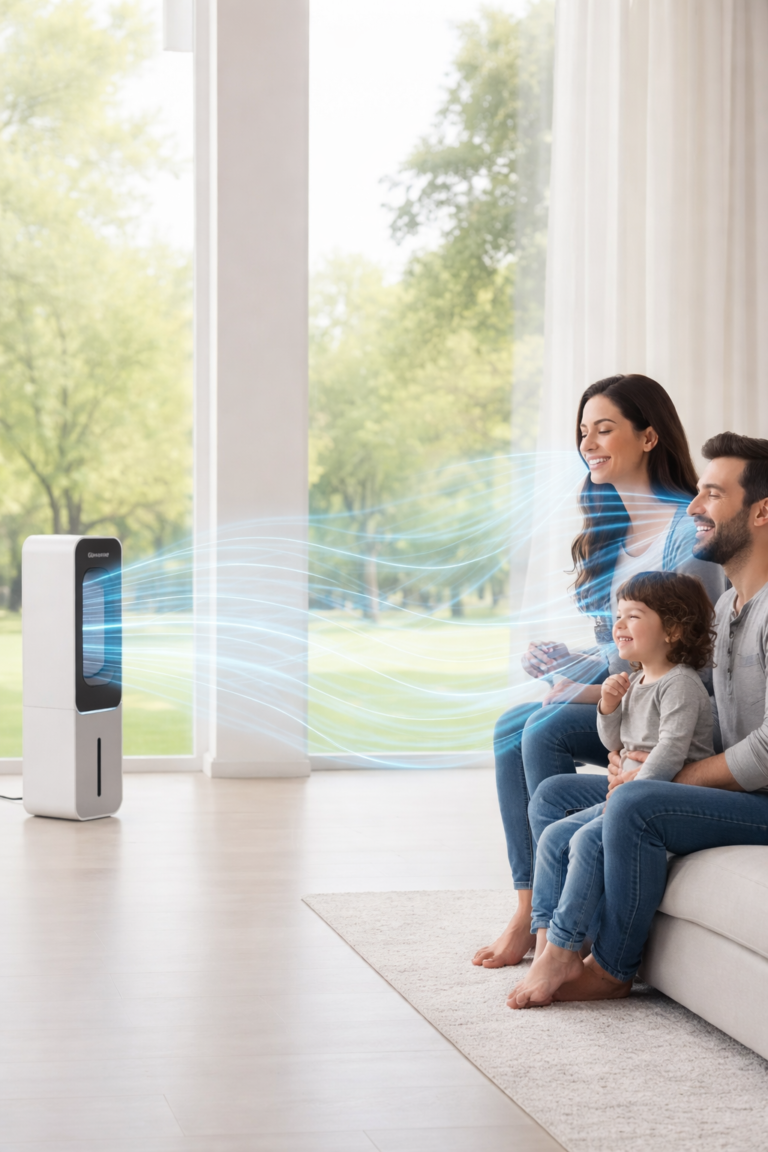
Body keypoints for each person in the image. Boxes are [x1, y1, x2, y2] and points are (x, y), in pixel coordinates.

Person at [473, 375, 726, 970]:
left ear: (649, 436)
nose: (589, 442)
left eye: (605, 428)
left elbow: (678, 656)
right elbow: (621, 649)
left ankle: (557, 924)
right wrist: (569, 665)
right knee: (515, 725)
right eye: (583, 432)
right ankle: (530, 905)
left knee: (543, 728)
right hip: (631, 696)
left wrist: (582, 687)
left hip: (675, 710)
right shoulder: (610, 528)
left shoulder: (686, 534)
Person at [520, 432, 768, 1004]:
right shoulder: (728, 604)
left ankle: (608, 968)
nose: (694, 507)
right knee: (556, 795)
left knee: (635, 800)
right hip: (725, 784)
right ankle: (553, 934)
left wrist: (657, 777)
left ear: (761, 511)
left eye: (712, 494)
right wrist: (636, 752)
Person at [508, 570, 715, 1009]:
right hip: (628, 787)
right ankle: (550, 944)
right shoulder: (638, 680)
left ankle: (563, 946)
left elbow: (672, 751)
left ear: (673, 630)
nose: (618, 625)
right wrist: (608, 705)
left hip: (659, 794)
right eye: (618, 615)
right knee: (550, 836)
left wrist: (634, 784)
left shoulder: (680, 683)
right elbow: (613, 743)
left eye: (633, 616)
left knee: (584, 838)